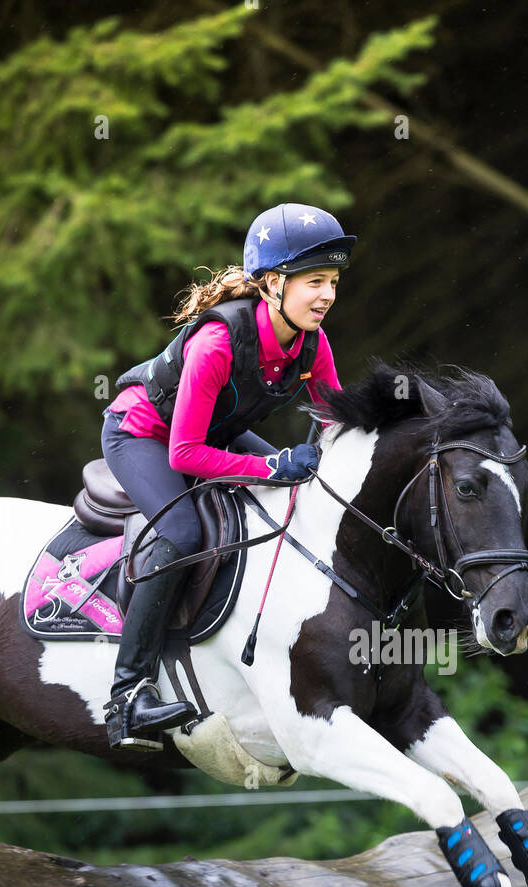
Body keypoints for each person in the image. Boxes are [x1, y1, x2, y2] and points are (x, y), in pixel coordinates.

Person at [100, 202, 355, 751]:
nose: (327, 295)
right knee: (183, 533)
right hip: (143, 432)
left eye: (332, 281)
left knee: (295, 493)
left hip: (216, 431)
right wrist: (269, 465)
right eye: (314, 281)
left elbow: (337, 420)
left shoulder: (313, 343)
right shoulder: (217, 343)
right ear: (271, 284)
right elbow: (186, 452)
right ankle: (127, 696)